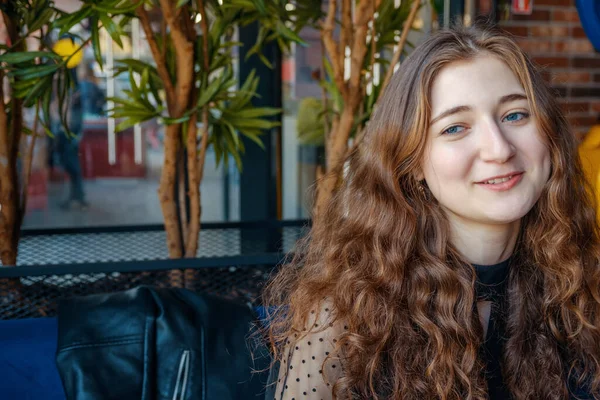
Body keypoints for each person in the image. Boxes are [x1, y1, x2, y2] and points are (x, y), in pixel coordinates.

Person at [262, 23, 600, 399]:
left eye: (515, 115)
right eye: (456, 128)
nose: (499, 149)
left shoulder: (585, 288)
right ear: (413, 164)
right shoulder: (346, 315)